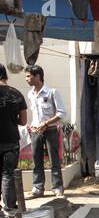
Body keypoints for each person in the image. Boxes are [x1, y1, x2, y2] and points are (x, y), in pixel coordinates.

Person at [25, 65, 67, 199]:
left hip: (51, 130)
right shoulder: (30, 94)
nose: (27, 79)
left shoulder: (51, 92)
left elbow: (62, 112)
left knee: (54, 159)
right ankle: (38, 188)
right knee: (36, 160)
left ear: (38, 76)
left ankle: (57, 188)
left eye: (28, 76)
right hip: (36, 130)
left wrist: (46, 123)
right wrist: (34, 126)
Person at [0, 64, 27, 214]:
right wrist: (11, 120)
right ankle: (10, 208)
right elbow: (23, 121)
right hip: (10, 140)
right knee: (8, 174)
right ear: (5, 75)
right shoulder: (16, 94)